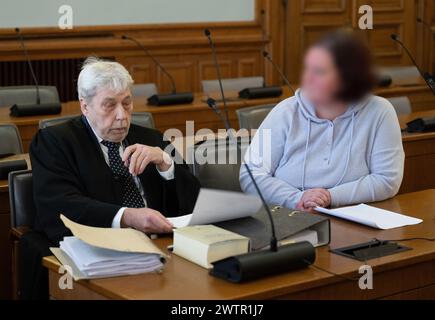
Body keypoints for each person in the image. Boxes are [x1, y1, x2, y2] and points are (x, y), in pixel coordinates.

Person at [30, 57, 200, 244]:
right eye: (110, 105)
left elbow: (194, 203)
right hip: (98, 246)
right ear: (85, 106)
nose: (122, 115)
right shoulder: (55, 142)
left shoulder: (152, 139)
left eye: (126, 103)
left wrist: (166, 165)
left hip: (160, 244)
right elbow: (61, 205)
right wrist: (126, 217)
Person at [240, 31, 404, 212]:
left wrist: (330, 197)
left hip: (354, 215)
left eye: (321, 72)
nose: (309, 79)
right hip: (289, 214)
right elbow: (251, 175)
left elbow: (387, 179)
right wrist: (298, 198)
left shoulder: (379, 111)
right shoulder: (285, 112)